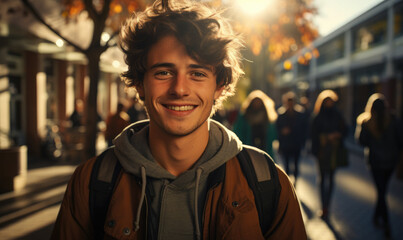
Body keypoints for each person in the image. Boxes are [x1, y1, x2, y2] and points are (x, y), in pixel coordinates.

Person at [51, 1, 306, 239]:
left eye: (197, 73)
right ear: (140, 84)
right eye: (164, 72)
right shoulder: (90, 182)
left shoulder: (269, 184)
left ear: (219, 86)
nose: (180, 89)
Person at [355, 93, 403, 238]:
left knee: (381, 191)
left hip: (375, 162)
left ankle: (386, 223)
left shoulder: (366, 122)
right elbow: (400, 140)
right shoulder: (393, 119)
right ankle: (377, 217)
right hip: (390, 162)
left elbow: (361, 141)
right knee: (382, 190)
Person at [311, 89, 347, 221]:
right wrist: (325, 138)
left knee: (331, 179)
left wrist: (338, 135)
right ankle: (323, 206)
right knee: (322, 179)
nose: (329, 104)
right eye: (327, 102)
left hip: (334, 152)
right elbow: (313, 135)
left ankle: (328, 205)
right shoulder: (318, 116)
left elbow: (345, 130)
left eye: (331, 101)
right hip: (321, 152)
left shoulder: (338, 115)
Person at [233, 90, 278, 158]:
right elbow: (238, 131)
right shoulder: (244, 116)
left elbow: (272, 134)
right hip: (248, 146)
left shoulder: (266, 117)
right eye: (255, 102)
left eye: (258, 102)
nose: (257, 104)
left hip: (264, 146)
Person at [276, 91, 305, 186]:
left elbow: (304, 129)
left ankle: (295, 181)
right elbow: (277, 129)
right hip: (285, 144)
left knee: (296, 165)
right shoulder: (281, 114)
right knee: (287, 165)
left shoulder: (300, 114)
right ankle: (288, 183)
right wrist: (282, 132)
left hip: (296, 143)